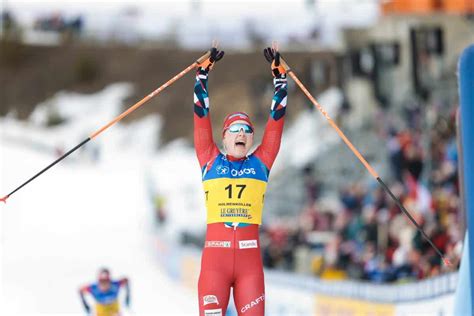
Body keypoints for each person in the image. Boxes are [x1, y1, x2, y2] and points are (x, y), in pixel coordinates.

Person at [194, 46, 288, 316]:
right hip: (215, 264)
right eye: (235, 129)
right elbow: (201, 118)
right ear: (224, 137)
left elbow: (275, 123)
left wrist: (280, 82)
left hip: (250, 266)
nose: (242, 134)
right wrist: (201, 76)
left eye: (247, 130)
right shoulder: (209, 158)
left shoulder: (262, 162)